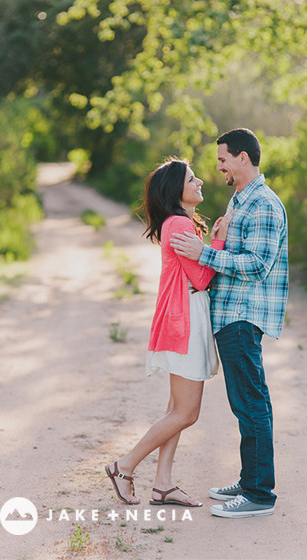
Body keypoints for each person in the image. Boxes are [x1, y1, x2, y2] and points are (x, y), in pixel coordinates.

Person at [170, 128, 289, 518]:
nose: (218, 166)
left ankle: (258, 495)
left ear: (242, 157)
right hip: (228, 316)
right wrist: (216, 243)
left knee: (252, 404)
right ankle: (250, 478)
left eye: (223, 159)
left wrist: (205, 254)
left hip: (243, 316)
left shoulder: (264, 205)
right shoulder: (241, 201)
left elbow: (257, 265)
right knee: (245, 404)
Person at [104, 158, 230, 507]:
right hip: (183, 322)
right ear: (178, 190)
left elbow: (197, 273)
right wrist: (218, 241)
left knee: (176, 407)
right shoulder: (178, 225)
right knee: (186, 412)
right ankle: (124, 465)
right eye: (193, 179)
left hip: (187, 319)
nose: (201, 181)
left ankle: (163, 484)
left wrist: (210, 241)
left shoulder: (181, 224)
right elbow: (202, 279)